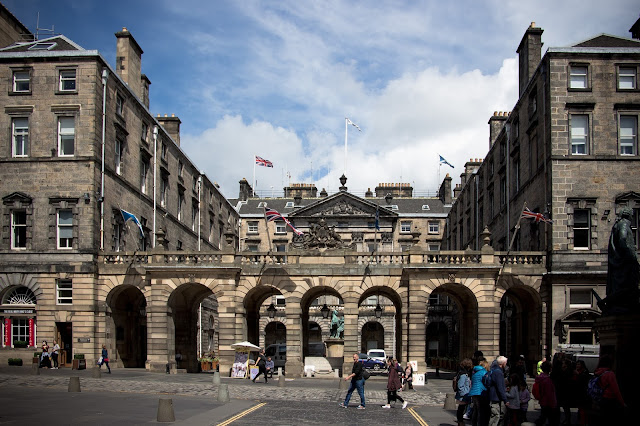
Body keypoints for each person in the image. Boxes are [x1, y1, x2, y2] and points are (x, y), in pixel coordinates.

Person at [590, 355, 626, 425]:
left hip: (600, 398)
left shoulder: (597, 372)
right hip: (610, 400)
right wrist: (622, 403)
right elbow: (616, 390)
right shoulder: (610, 374)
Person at [534, 361, 558, 426]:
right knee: (551, 420)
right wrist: (553, 403)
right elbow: (549, 393)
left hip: (542, 400)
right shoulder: (547, 380)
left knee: (543, 417)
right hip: (548, 402)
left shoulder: (540, 377)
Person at [488, 356, 508, 426]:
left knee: (496, 415)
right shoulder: (498, 372)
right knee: (496, 416)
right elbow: (500, 387)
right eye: (505, 362)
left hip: (494, 396)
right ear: (503, 363)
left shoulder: (494, 370)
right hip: (495, 397)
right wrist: (505, 399)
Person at [469, 358, 489, 426]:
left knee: (475, 410)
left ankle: (473, 424)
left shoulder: (475, 372)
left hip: (473, 392)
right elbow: (486, 382)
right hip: (480, 392)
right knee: (480, 411)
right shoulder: (483, 372)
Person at [454, 358, 472, 426]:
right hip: (463, 395)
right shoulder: (463, 375)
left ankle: (460, 422)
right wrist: (464, 394)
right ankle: (460, 422)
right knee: (461, 409)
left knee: (462, 409)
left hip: (464, 394)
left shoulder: (463, 373)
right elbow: (460, 386)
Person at [574, 360, 590, 426]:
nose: (577, 366)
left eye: (579, 364)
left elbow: (583, 381)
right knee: (581, 409)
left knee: (583, 409)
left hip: (583, 393)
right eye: (577, 364)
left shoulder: (584, 372)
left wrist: (578, 374)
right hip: (578, 393)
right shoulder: (577, 372)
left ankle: (583, 422)